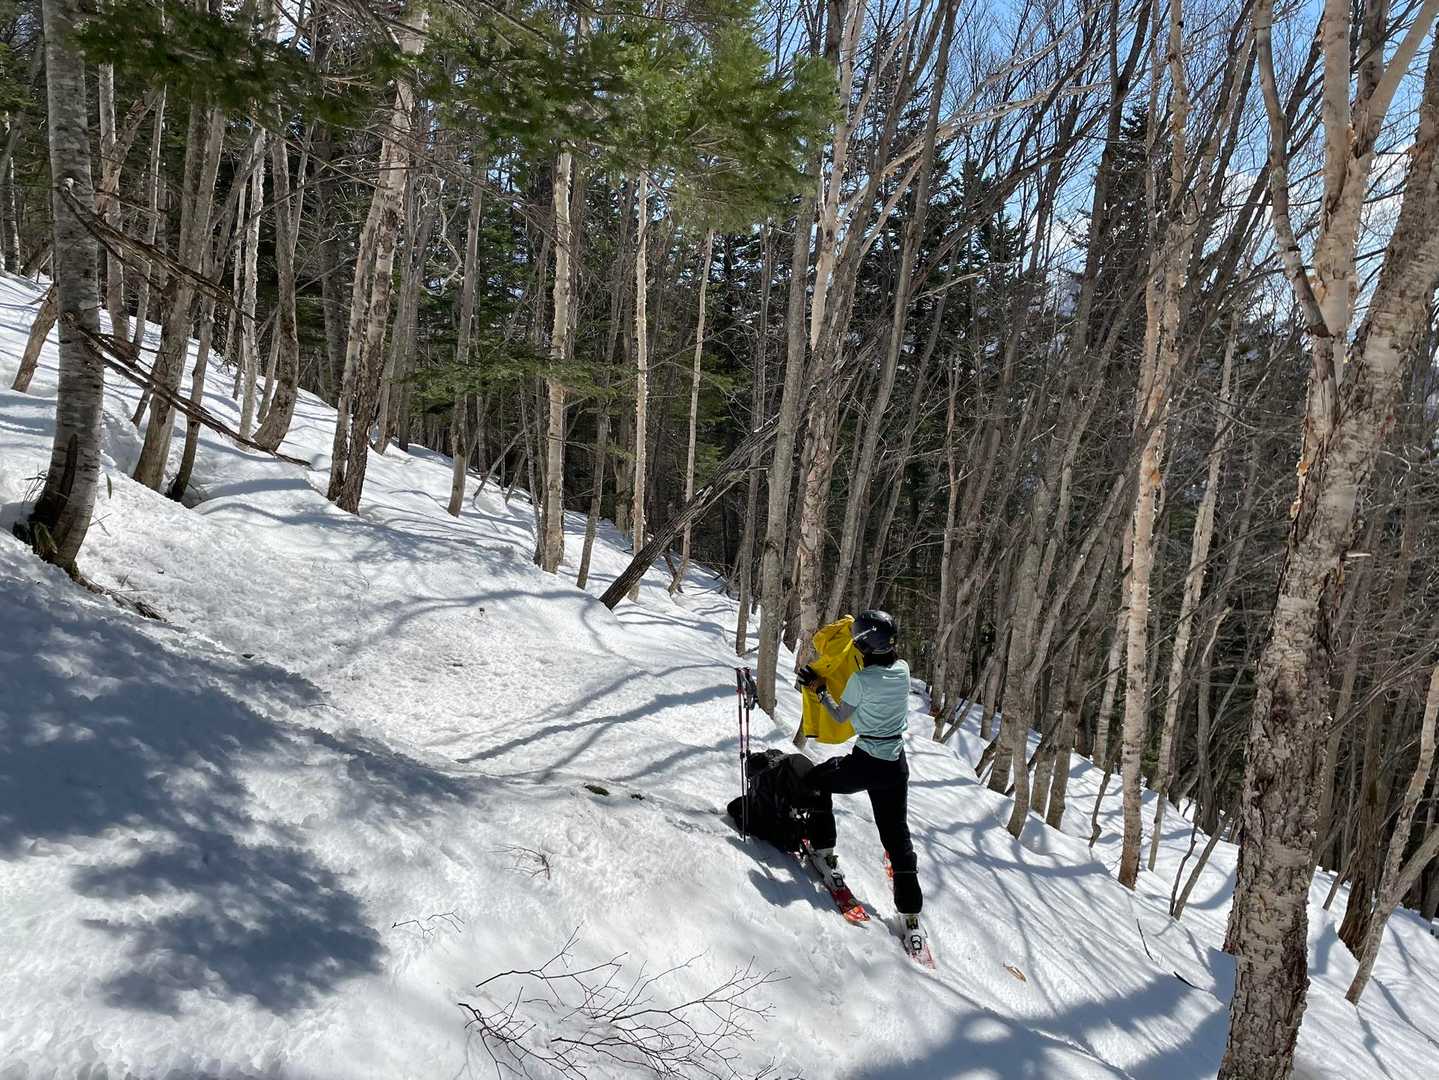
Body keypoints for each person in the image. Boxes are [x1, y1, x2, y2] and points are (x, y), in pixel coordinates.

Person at [796, 609, 925, 950]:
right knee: (897, 837)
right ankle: (911, 916)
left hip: (865, 763)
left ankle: (824, 851)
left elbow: (840, 715)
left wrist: (819, 689)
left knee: (817, 780)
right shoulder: (903, 670)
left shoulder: (861, 681)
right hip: (895, 766)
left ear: (865, 645)